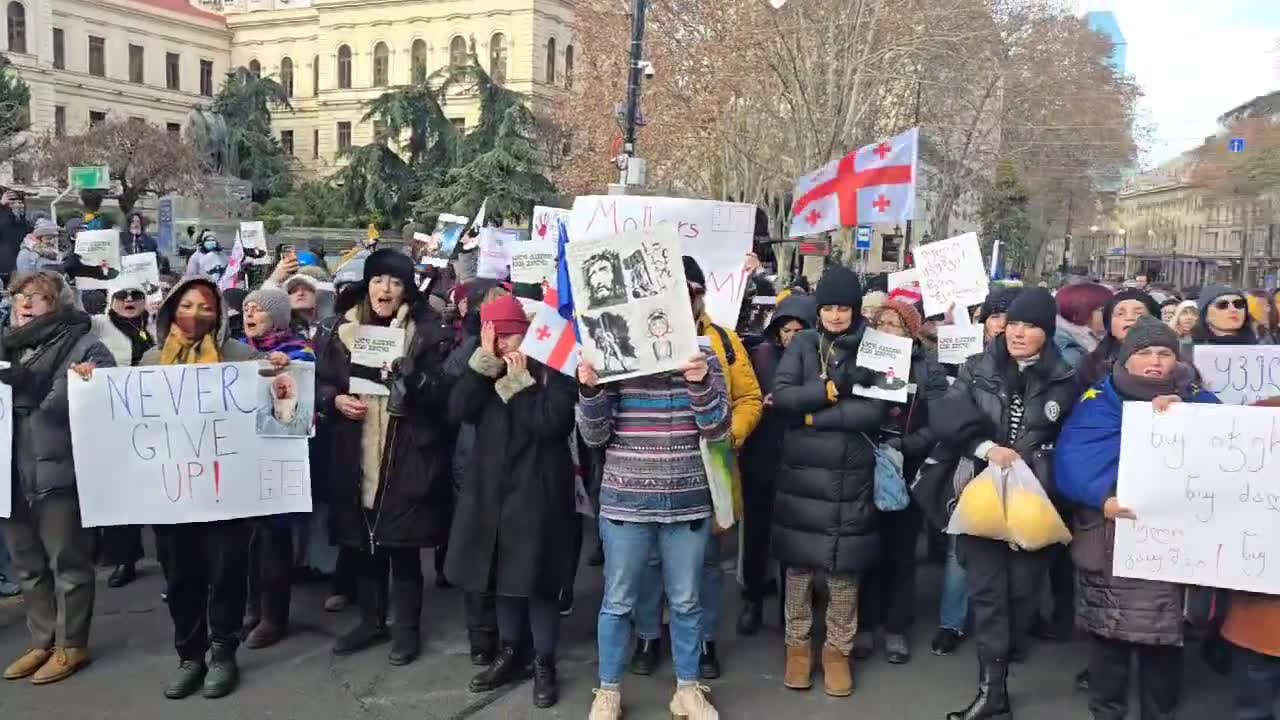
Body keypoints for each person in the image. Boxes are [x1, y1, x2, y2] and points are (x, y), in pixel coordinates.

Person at [1056, 315, 1217, 720]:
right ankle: (1107, 712)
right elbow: (1072, 460)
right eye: (1144, 352)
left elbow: (1224, 448)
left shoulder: (1196, 398)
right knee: (1109, 645)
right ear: (1126, 359)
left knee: (1163, 645)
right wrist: (1102, 498)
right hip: (1112, 544)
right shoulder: (1099, 401)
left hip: (1172, 550)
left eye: (1164, 353)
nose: (1155, 361)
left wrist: (1187, 419)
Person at [931, 288, 1080, 720]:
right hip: (981, 494)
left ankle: (1001, 670)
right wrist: (983, 446)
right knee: (988, 595)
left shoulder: (1066, 378)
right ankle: (991, 692)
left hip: (1034, 502)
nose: (1018, 332)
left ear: (1046, 332)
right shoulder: (977, 367)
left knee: (1019, 594)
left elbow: (1076, 435)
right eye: (1013, 323)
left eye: (1030, 325)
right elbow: (947, 413)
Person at [138, 277, 290, 700]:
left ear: (219, 314)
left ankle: (224, 652)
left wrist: (278, 372)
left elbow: (271, 408)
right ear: (170, 309)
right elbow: (128, 419)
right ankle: (190, 656)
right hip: (171, 492)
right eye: (186, 305)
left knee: (226, 574)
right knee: (181, 577)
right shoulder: (152, 360)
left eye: (206, 307)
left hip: (226, 491)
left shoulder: (239, 355)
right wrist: (89, 380)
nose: (195, 314)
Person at [315, 249, 456, 667]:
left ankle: (406, 631)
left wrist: (413, 378)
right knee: (365, 546)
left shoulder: (428, 333)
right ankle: (371, 621)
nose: (385, 289)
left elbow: (444, 397)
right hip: (356, 453)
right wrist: (336, 399)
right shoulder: (341, 331)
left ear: (405, 290)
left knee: (403, 548)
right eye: (378, 280)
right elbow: (322, 383)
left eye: (394, 282)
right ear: (367, 285)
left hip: (407, 453)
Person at [579, 330, 730, 720]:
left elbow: (719, 430)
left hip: (687, 497)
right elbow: (594, 435)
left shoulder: (704, 352)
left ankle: (688, 689)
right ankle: (608, 690)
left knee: (686, 601)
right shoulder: (612, 347)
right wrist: (591, 391)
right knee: (616, 601)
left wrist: (700, 385)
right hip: (626, 500)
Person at [632, 256, 762, 680]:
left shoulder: (724, 341)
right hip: (650, 468)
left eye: (690, 292)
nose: (683, 301)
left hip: (708, 473)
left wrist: (729, 436)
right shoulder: (637, 337)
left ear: (700, 295)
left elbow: (749, 398)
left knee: (707, 563)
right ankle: (649, 635)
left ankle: (705, 641)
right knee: (649, 560)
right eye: (674, 293)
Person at [446, 294, 576, 708]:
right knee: (499, 573)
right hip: (491, 487)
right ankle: (510, 651)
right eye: (496, 337)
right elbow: (459, 411)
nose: (504, 346)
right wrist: (481, 367)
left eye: (511, 336)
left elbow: (551, 424)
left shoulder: (551, 367)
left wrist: (520, 386)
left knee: (537, 579)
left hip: (538, 489)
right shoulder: (484, 368)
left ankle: (543, 661)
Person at [771, 265, 885, 697]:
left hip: (851, 474)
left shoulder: (876, 347)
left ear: (855, 309)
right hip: (801, 476)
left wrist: (811, 415)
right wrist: (832, 390)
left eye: (844, 307)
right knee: (798, 570)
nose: (836, 316)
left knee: (844, 572)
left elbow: (875, 412)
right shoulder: (801, 343)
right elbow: (782, 396)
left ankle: (838, 651)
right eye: (829, 307)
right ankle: (797, 649)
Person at [0, 271, 114, 685]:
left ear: (59, 304)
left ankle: (72, 645)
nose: (25, 304)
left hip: (58, 471)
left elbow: (74, 409)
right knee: (27, 565)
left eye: (38, 297)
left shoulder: (86, 347)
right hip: (8, 474)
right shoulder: (5, 348)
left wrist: (27, 391)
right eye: (19, 297)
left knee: (68, 563)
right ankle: (41, 640)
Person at [857, 299, 949, 665]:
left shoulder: (929, 369)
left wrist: (904, 445)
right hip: (865, 461)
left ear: (911, 332)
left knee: (901, 551)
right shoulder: (862, 360)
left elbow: (939, 422)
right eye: (882, 322)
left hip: (908, 468)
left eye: (896, 324)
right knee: (865, 548)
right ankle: (864, 622)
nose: (888, 329)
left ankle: (896, 627)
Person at [737, 293, 817, 636]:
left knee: (796, 542)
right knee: (757, 536)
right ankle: (752, 599)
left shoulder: (819, 360)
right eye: (787, 329)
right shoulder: (760, 357)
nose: (792, 335)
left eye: (800, 329)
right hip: (762, 459)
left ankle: (792, 610)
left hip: (803, 461)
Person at [240, 286, 314, 650]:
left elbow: (304, 404)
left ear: (279, 317)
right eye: (246, 309)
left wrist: (289, 373)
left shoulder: (299, 353)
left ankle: (274, 616)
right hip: (241, 458)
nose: (250, 314)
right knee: (247, 539)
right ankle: (250, 608)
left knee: (273, 538)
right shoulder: (236, 352)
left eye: (258, 310)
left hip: (280, 457)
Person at [442, 280, 505, 666]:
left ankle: (514, 636)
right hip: (473, 461)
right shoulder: (466, 344)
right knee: (478, 550)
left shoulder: (526, 342)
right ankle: (482, 636)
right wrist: (481, 347)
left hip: (514, 465)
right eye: (496, 303)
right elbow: (454, 394)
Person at [90, 283, 156, 589]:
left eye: (136, 295)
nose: (129, 300)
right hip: (116, 417)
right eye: (122, 296)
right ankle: (124, 559)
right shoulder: (99, 325)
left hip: (156, 416)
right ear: (111, 300)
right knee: (122, 489)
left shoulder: (156, 323)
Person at [1078, 288, 1160, 389]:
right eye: (1120, 314)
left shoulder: (1168, 360)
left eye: (1138, 313)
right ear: (1109, 323)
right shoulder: (1090, 363)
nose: (1129, 318)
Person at [1052, 282, 1111, 369]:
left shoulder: (1091, 340)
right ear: (1079, 312)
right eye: (1103, 310)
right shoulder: (1070, 356)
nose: (1111, 314)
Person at [0, 188, 31, 279]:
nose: (18, 205)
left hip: (20, 266)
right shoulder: (3, 220)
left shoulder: (25, 223)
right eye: (12, 203)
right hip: (4, 267)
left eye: (20, 203)